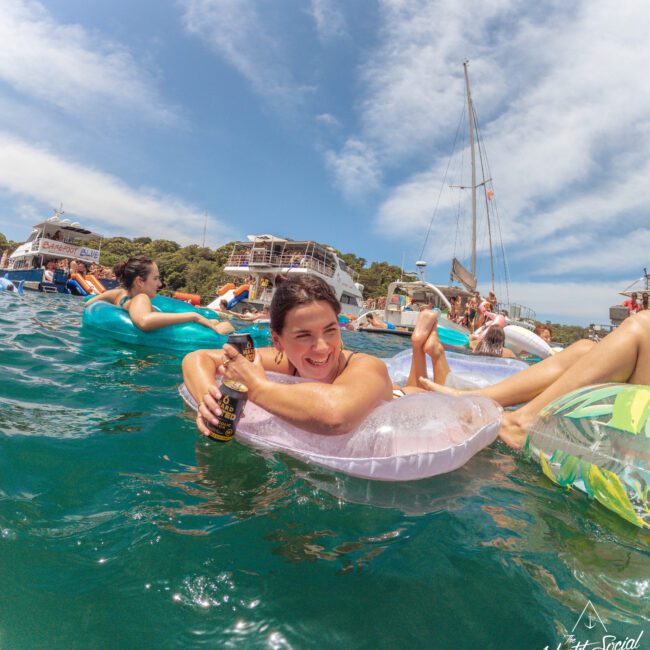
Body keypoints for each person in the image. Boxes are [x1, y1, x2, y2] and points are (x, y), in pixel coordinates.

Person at [182, 275, 393, 436]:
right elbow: (197, 358)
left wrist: (255, 387)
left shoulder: (367, 366)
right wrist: (207, 400)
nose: (321, 347)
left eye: (330, 330)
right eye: (303, 335)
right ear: (278, 341)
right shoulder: (282, 360)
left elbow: (336, 416)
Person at [418, 310, 650, 449]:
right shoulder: (509, 354)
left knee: (643, 325)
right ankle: (471, 397)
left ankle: (521, 423)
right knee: (584, 349)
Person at [86, 255, 234, 335]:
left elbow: (88, 303)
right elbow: (144, 321)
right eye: (155, 278)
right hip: (181, 336)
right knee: (226, 326)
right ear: (140, 281)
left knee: (214, 321)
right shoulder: (140, 298)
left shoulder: (118, 294)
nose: (160, 284)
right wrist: (192, 316)